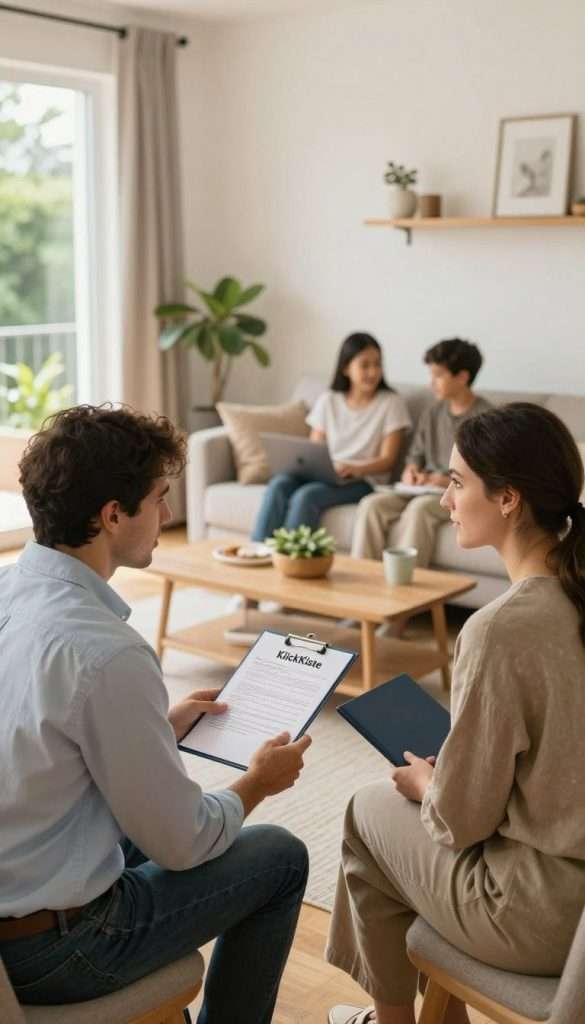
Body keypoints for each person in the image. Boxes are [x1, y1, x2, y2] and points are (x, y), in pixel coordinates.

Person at [0, 404, 311, 1023]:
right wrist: (256, 784)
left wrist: (152, 731)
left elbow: (32, 742)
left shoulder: (9, 593)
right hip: (58, 950)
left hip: (14, 894)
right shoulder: (106, 652)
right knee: (279, 856)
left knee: (148, 818)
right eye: (160, 498)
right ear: (113, 516)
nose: (169, 515)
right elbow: (182, 843)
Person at [326, 402, 585, 1024]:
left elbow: (461, 822)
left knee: (370, 811)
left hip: (537, 914)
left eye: (457, 481)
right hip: (575, 911)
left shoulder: (501, 630)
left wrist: (427, 783)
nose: (444, 500)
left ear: (508, 499)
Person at [251, 333, 411, 543]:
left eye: (377, 364)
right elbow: (314, 450)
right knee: (279, 484)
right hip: (327, 474)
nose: (373, 372)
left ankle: (290, 562)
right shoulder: (328, 400)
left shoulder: (391, 403)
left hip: (363, 481)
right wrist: (320, 467)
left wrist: (355, 468)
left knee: (306, 496)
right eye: (365, 365)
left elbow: (388, 461)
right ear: (346, 368)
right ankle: (256, 553)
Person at [351, 337, 490, 567]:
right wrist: (410, 471)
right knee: (371, 504)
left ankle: (404, 591)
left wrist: (446, 481)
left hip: (453, 494)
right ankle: (361, 582)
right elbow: (415, 455)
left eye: (438, 375)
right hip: (420, 487)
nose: (431, 383)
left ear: (462, 377)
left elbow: (484, 474)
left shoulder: (486, 419)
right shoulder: (432, 413)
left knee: (419, 509)